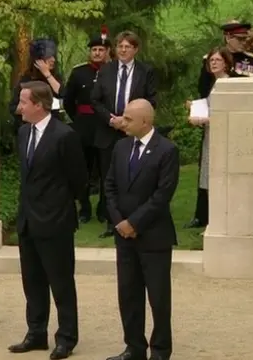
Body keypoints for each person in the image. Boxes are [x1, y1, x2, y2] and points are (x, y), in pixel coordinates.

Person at [8, 80, 88, 360]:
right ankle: (36, 333)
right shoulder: (23, 133)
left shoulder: (64, 136)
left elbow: (79, 179)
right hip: (28, 220)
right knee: (32, 281)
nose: (19, 107)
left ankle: (66, 337)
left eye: (23, 102)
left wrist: (64, 207)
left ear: (39, 105)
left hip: (55, 220)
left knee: (61, 281)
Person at [104, 99, 180, 360]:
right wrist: (119, 222)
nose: (122, 122)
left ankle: (160, 350)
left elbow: (162, 195)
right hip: (124, 238)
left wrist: (134, 223)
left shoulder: (166, 151)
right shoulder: (121, 147)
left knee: (158, 297)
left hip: (153, 237)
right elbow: (110, 187)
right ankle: (134, 347)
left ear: (145, 122)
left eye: (128, 119)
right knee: (129, 294)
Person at [91, 30, 157, 238]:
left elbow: (151, 101)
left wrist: (130, 121)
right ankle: (113, 222)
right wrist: (112, 120)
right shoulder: (106, 70)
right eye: (120, 46)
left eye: (127, 46)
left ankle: (136, 219)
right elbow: (95, 100)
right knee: (110, 178)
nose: (123, 49)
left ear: (135, 49)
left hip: (134, 133)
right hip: (109, 131)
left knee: (135, 177)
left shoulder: (145, 72)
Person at [63, 25, 112, 224]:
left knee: (105, 169)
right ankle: (84, 207)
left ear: (108, 52)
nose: (97, 53)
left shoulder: (113, 72)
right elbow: (68, 100)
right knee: (82, 169)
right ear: (89, 52)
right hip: (83, 127)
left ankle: (104, 208)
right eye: (94, 50)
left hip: (105, 126)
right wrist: (78, 120)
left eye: (101, 49)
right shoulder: (79, 73)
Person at [186, 47, 240, 230]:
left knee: (219, 180)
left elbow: (228, 114)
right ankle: (215, 222)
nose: (214, 63)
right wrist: (194, 106)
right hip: (212, 137)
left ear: (227, 63)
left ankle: (221, 223)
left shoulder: (227, 84)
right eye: (211, 61)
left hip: (222, 139)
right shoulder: (215, 83)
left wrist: (203, 119)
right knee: (210, 180)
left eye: (218, 60)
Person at [10, 38, 65, 136]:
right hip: (31, 129)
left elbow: (62, 93)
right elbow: (13, 108)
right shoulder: (26, 80)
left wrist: (47, 74)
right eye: (49, 57)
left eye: (53, 56)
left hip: (53, 127)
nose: (53, 60)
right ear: (38, 60)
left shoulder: (55, 78)